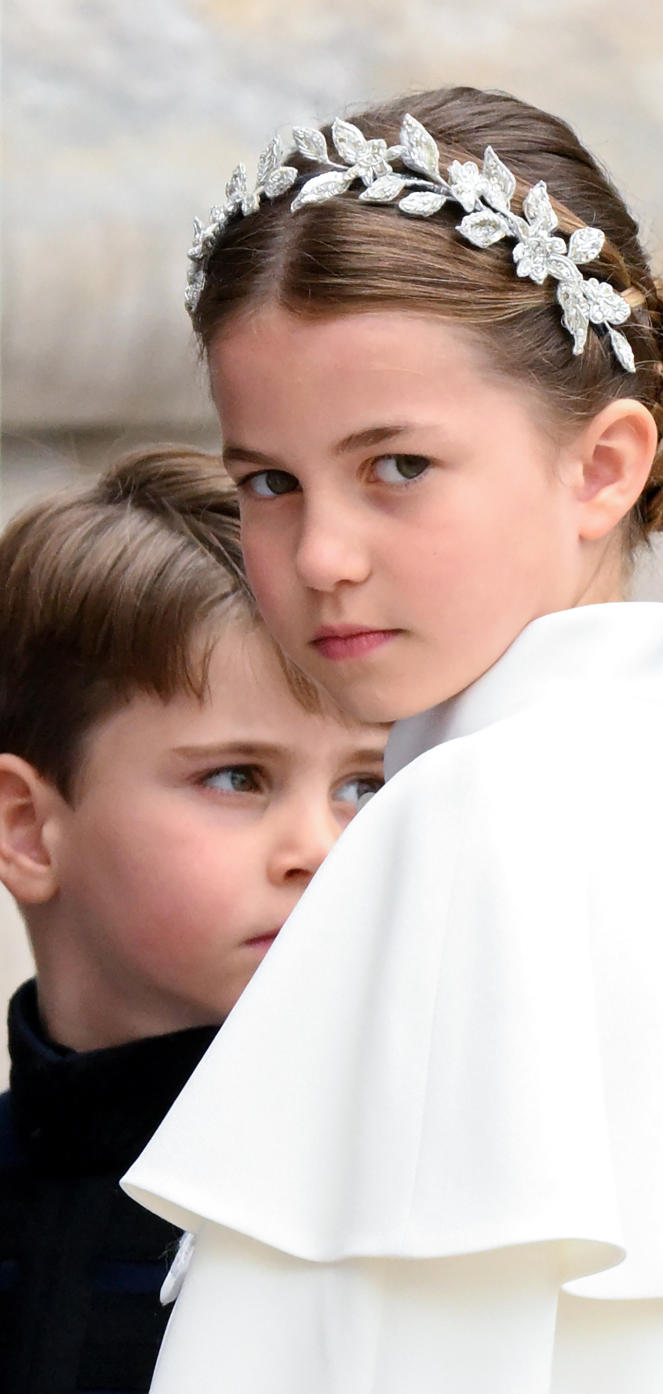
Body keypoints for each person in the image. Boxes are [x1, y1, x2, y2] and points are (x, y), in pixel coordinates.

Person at [124, 89, 663, 1392]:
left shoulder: (472, 813)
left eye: (399, 467)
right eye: (268, 480)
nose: (321, 557)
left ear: (604, 467)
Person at [0, 447, 387, 1394]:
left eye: (363, 788)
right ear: (28, 831)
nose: (321, 847)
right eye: (236, 778)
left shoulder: (410, 1204)